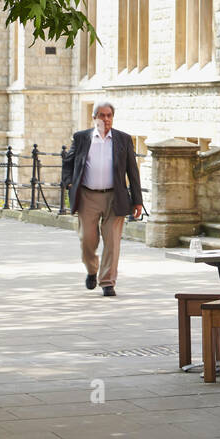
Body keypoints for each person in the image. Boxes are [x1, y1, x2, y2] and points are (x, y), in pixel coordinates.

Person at [61, 101, 144, 298]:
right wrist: (69, 183)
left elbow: (133, 171)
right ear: (94, 117)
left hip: (115, 197)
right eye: (101, 115)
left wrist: (137, 200)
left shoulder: (123, 139)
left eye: (109, 116)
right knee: (87, 240)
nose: (105, 119)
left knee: (112, 242)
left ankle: (107, 281)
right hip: (87, 196)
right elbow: (68, 163)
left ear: (112, 118)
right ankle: (92, 270)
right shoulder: (81, 138)